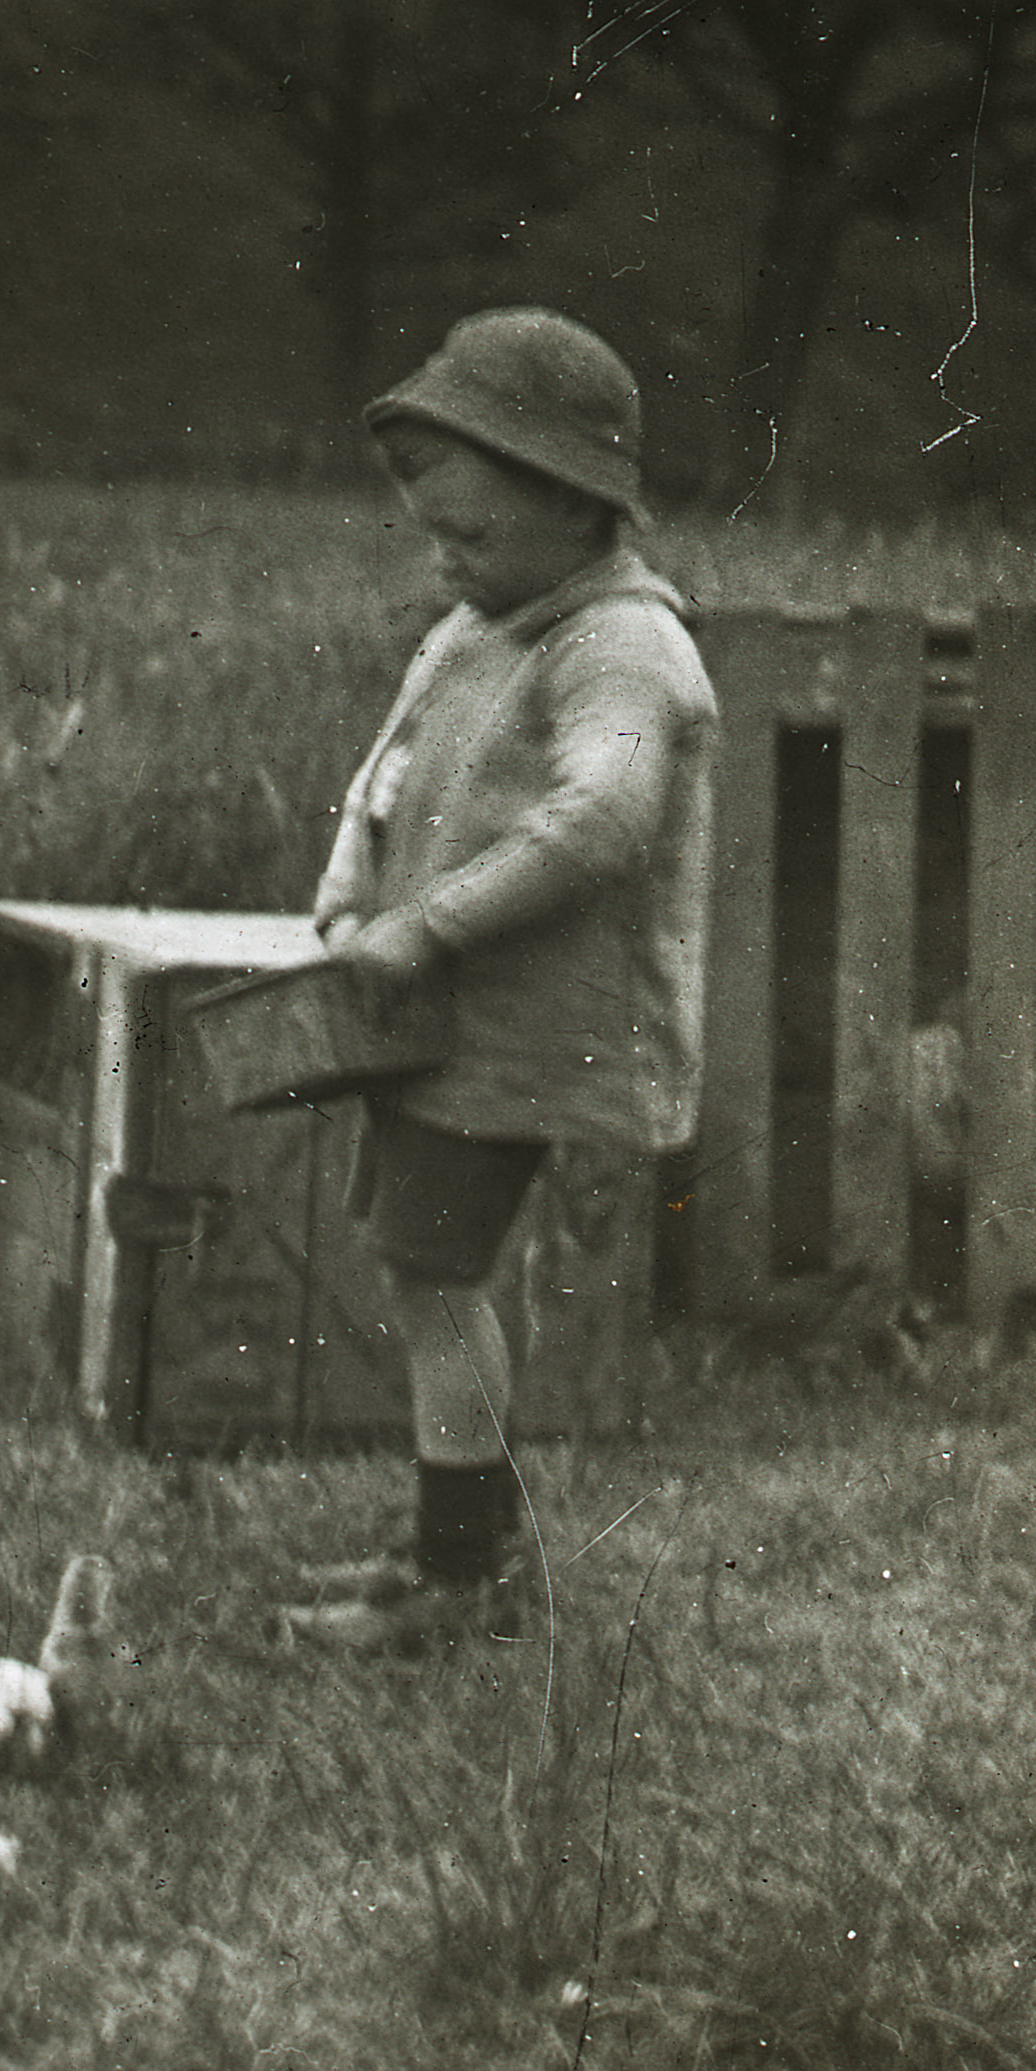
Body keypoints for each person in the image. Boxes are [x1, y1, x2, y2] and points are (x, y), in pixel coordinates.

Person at [279, 308, 716, 1657]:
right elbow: (391, 771)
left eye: (473, 533)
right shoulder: (478, 628)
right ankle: (461, 1554)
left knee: (437, 1272)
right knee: (428, 1271)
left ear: (582, 507)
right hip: (451, 1027)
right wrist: (350, 886)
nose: (446, 557)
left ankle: (464, 1578)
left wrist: (432, 927)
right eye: (435, 533)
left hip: (532, 1036)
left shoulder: (621, 648)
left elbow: (603, 819)